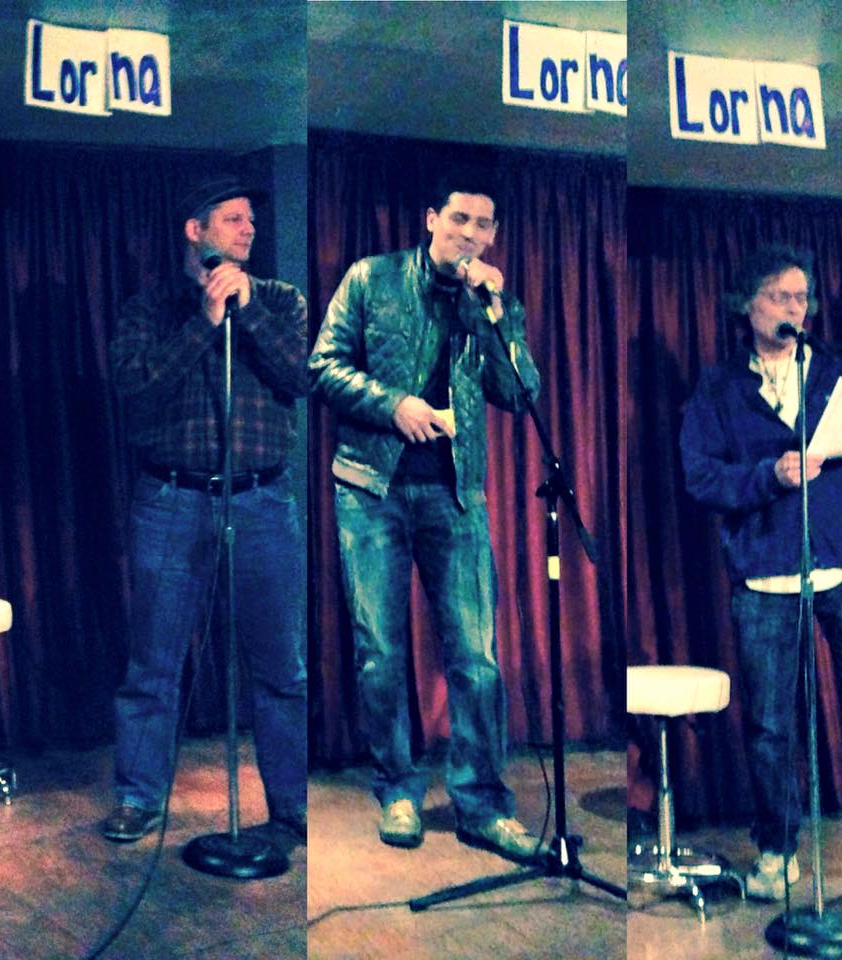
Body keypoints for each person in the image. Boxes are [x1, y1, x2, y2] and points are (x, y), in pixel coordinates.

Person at [679, 244, 842, 917]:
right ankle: (777, 851)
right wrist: (768, 476)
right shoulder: (718, 387)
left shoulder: (839, 368)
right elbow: (700, 477)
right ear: (748, 305)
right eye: (780, 296)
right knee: (771, 727)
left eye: (801, 297)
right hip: (766, 573)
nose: (794, 309)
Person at [307, 174, 543, 862]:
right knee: (380, 653)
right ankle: (398, 788)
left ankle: (481, 802)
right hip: (371, 489)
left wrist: (499, 315)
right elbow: (322, 366)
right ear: (431, 218)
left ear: (494, 236)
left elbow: (519, 393)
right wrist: (394, 406)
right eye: (459, 218)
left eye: (483, 224)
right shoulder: (371, 278)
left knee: (477, 657)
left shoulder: (488, 302)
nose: (470, 234)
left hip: (455, 494)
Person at [104, 176, 309, 844]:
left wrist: (247, 314)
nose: (249, 229)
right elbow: (135, 386)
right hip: (171, 499)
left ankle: (290, 806)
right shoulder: (151, 308)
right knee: (154, 663)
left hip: (261, 500)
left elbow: (301, 375)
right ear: (195, 231)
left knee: (280, 666)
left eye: (251, 219)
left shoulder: (280, 300)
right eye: (232, 219)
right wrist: (205, 323)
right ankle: (139, 798)